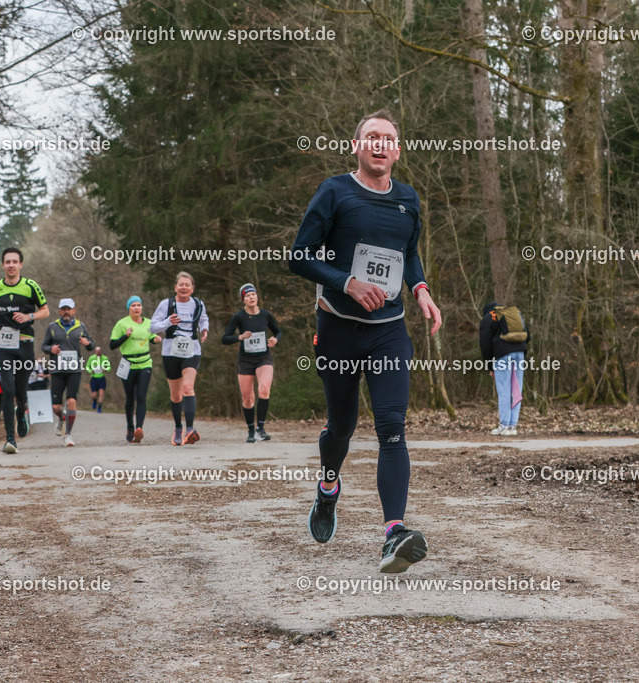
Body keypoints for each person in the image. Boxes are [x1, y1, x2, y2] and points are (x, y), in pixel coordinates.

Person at [288, 109, 442, 573]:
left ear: (397, 150)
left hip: (389, 331)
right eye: (371, 137)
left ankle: (394, 533)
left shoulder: (409, 198)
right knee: (341, 428)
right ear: (357, 146)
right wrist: (347, 283)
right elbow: (299, 256)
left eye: (388, 139)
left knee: (392, 427)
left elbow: (408, 253)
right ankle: (328, 486)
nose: (380, 144)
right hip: (336, 326)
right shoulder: (335, 191)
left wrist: (421, 290)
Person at [0, 247, 49, 454]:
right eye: (7, 262)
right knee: (8, 389)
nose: (11, 265)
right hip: (4, 345)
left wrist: (29, 317)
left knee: (21, 391)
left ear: (20, 264)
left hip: (25, 344)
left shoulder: (31, 286)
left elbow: (45, 310)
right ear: (3, 265)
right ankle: (10, 439)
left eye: (15, 261)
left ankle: (21, 412)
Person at [150, 272, 209, 446]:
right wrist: (168, 322)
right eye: (181, 284)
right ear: (175, 287)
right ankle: (178, 428)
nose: (184, 287)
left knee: (188, 387)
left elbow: (204, 319)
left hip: (192, 349)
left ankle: (190, 429)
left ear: (192, 288)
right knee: (176, 395)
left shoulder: (198, 304)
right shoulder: (166, 304)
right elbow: (152, 327)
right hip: (170, 352)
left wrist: (204, 329)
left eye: (187, 285)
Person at [222, 283, 281, 442]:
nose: (251, 297)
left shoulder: (266, 315)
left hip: (264, 358)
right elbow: (225, 339)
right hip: (246, 360)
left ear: (257, 296)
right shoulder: (238, 317)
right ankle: (250, 431)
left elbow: (278, 331)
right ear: (244, 299)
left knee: (264, 390)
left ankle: (260, 428)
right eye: (247, 295)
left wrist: (275, 339)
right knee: (248, 398)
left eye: (253, 294)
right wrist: (239, 337)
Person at [42, 298, 94, 447]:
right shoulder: (52, 327)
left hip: (74, 369)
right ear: (59, 311)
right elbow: (44, 346)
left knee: (71, 400)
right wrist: (50, 349)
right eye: (63, 309)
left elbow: (91, 345)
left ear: (73, 310)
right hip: (57, 369)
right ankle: (62, 418)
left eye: (68, 309)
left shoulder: (81, 326)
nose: (66, 312)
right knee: (56, 407)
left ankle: (68, 435)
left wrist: (88, 343)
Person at [111, 295, 161, 443]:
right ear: (129, 308)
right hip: (128, 364)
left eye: (139, 305)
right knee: (130, 398)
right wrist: (125, 336)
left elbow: (151, 337)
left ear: (141, 308)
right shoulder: (122, 324)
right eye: (133, 305)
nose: (136, 308)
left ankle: (139, 428)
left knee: (141, 396)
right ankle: (130, 427)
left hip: (145, 363)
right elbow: (112, 345)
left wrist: (156, 340)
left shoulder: (149, 323)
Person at [479, 303, 529, 436]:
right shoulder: (513, 314)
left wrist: (490, 366)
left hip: (503, 355)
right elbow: (527, 335)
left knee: (504, 390)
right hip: (520, 352)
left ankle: (504, 425)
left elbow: (485, 345)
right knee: (516, 390)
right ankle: (513, 427)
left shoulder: (488, 318)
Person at [86, 347, 110, 413]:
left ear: (100, 351)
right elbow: (87, 367)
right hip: (94, 378)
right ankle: (94, 401)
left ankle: (99, 407)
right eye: (96, 351)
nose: (97, 353)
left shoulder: (105, 358)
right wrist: (90, 371)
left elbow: (108, 367)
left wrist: (106, 369)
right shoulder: (91, 358)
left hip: (102, 378)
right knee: (94, 395)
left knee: (101, 393)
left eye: (98, 351)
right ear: (95, 351)